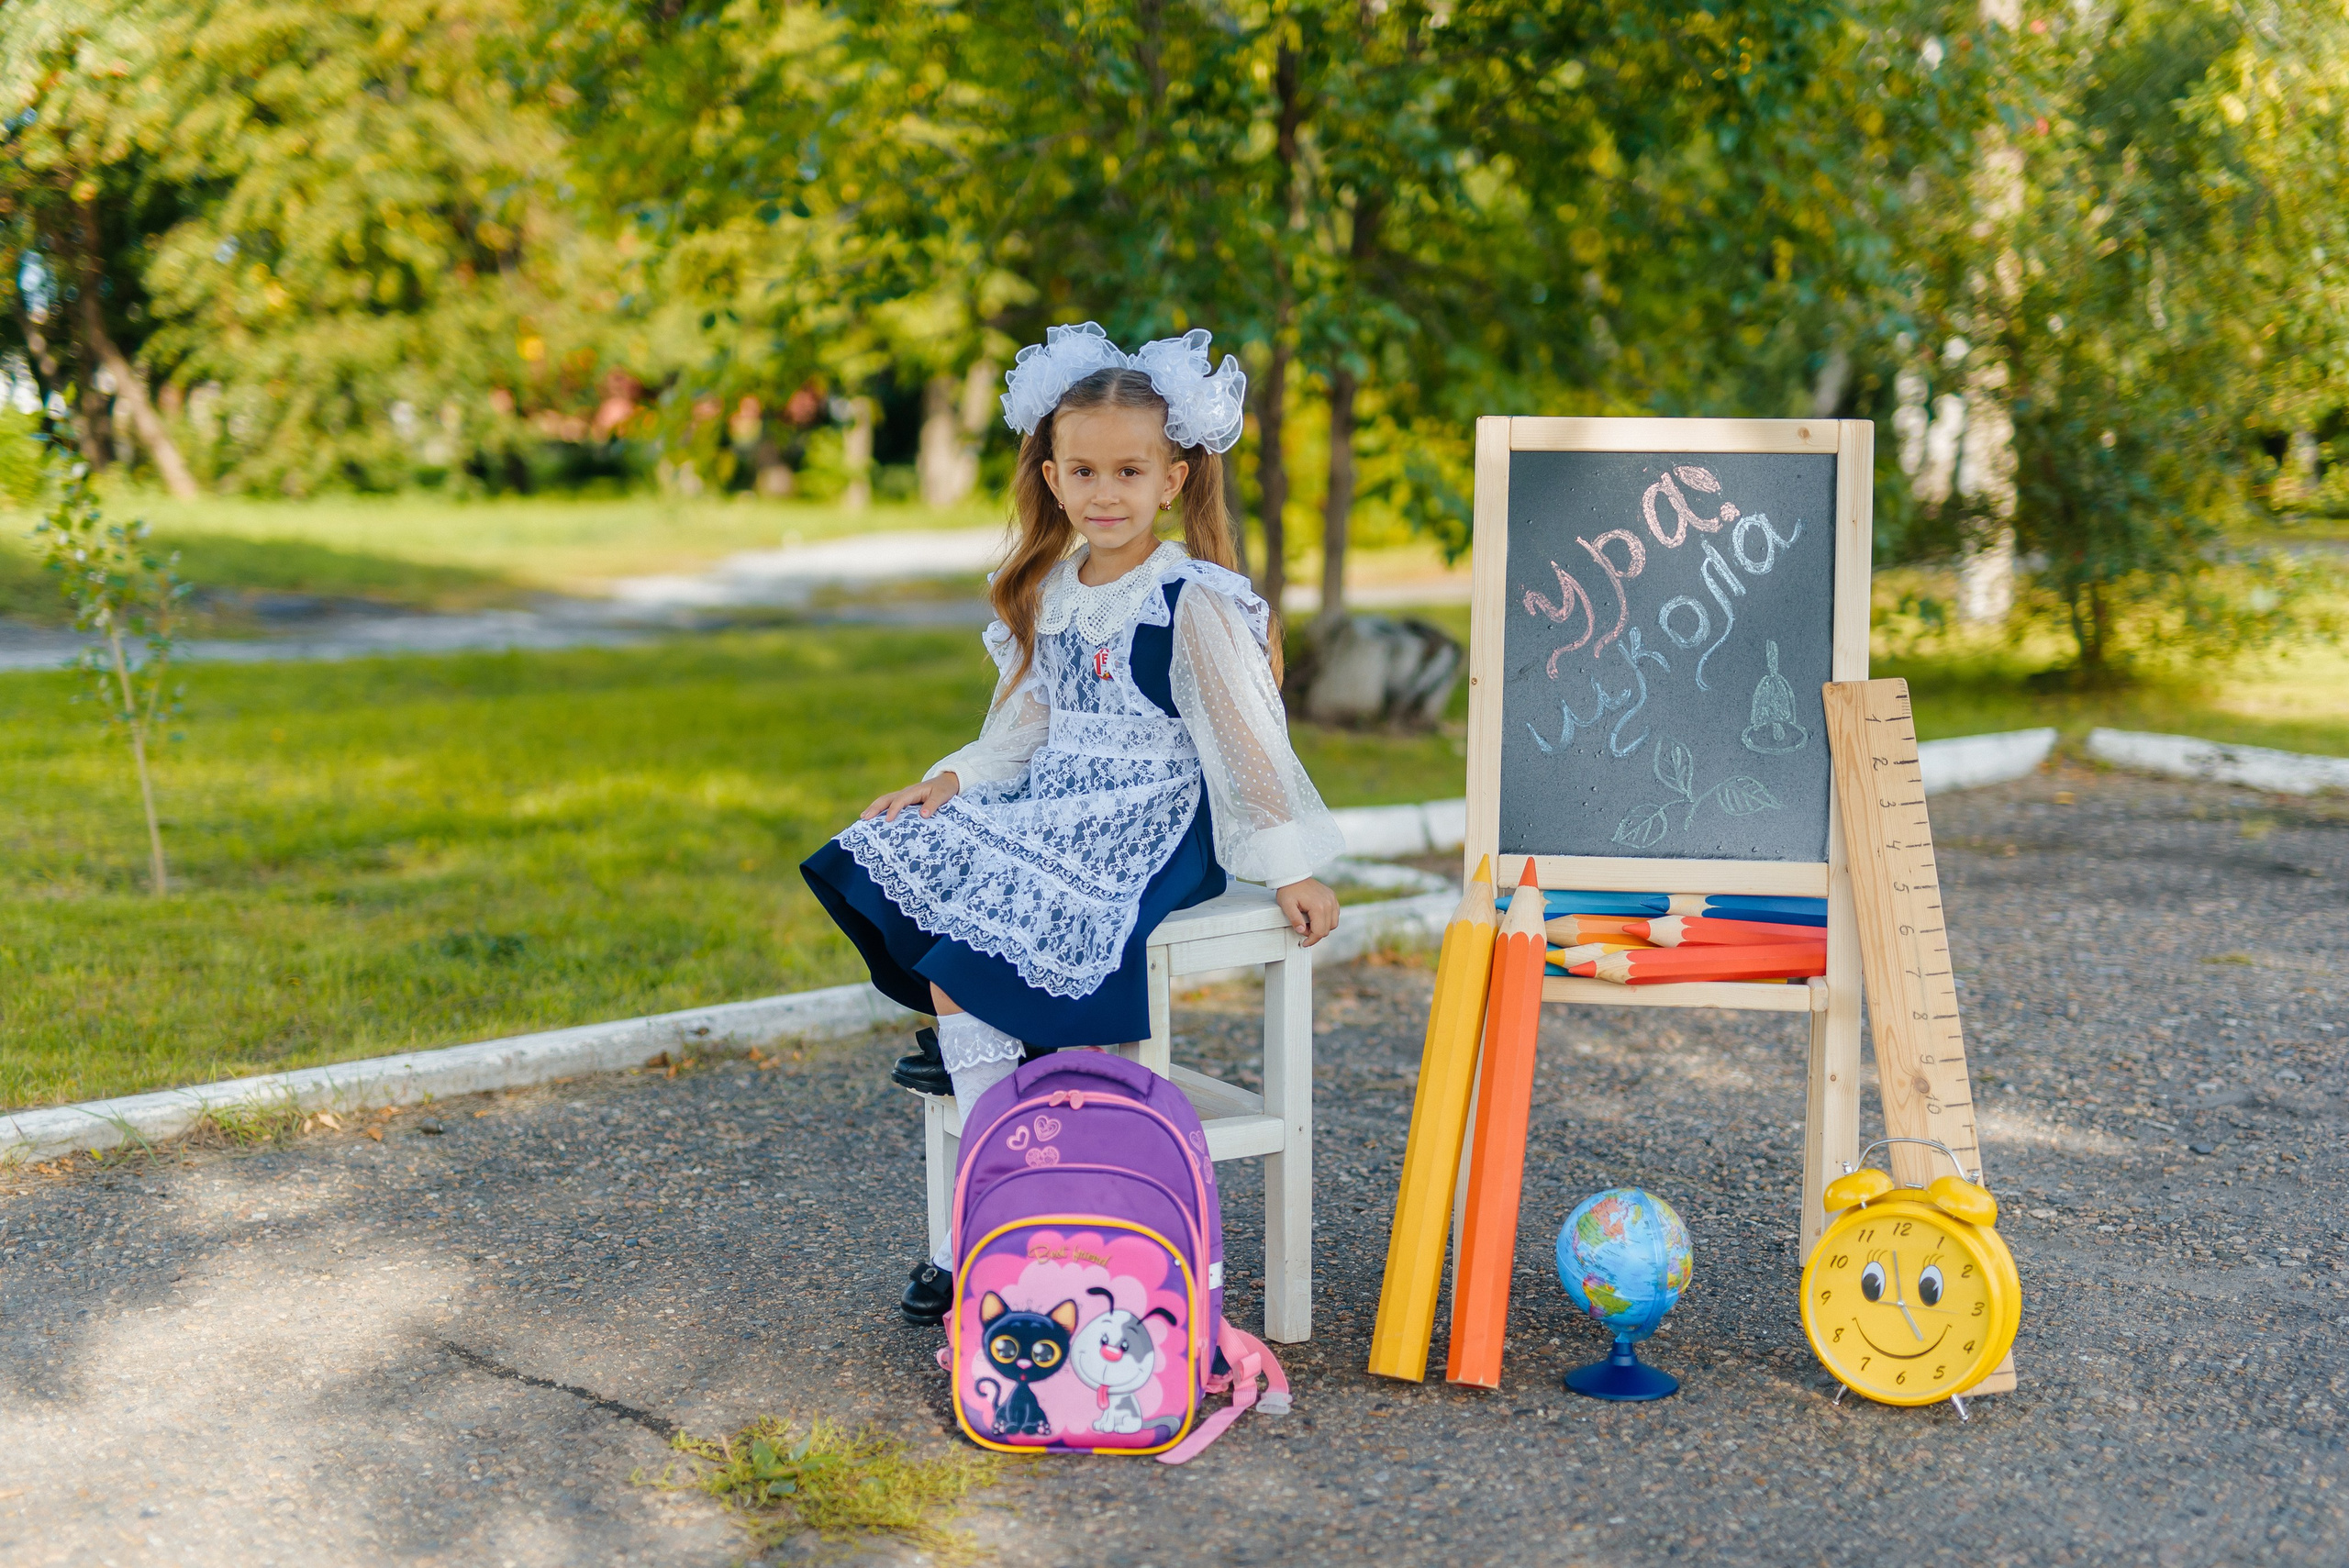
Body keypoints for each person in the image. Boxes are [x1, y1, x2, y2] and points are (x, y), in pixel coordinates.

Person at [801, 322, 1345, 1324]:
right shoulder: (1051, 591)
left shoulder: (1190, 598)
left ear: (1174, 478)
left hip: (1144, 821)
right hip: (1059, 794)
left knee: (977, 946)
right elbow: (1020, 727)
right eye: (1084, 470)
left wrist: (1291, 866)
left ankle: (981, 1203)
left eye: (1130, 471)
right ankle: (993, 1120)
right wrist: (952, 780)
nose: (1106, 492)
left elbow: (1248, 745)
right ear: (1050, 476)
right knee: (903, 844)